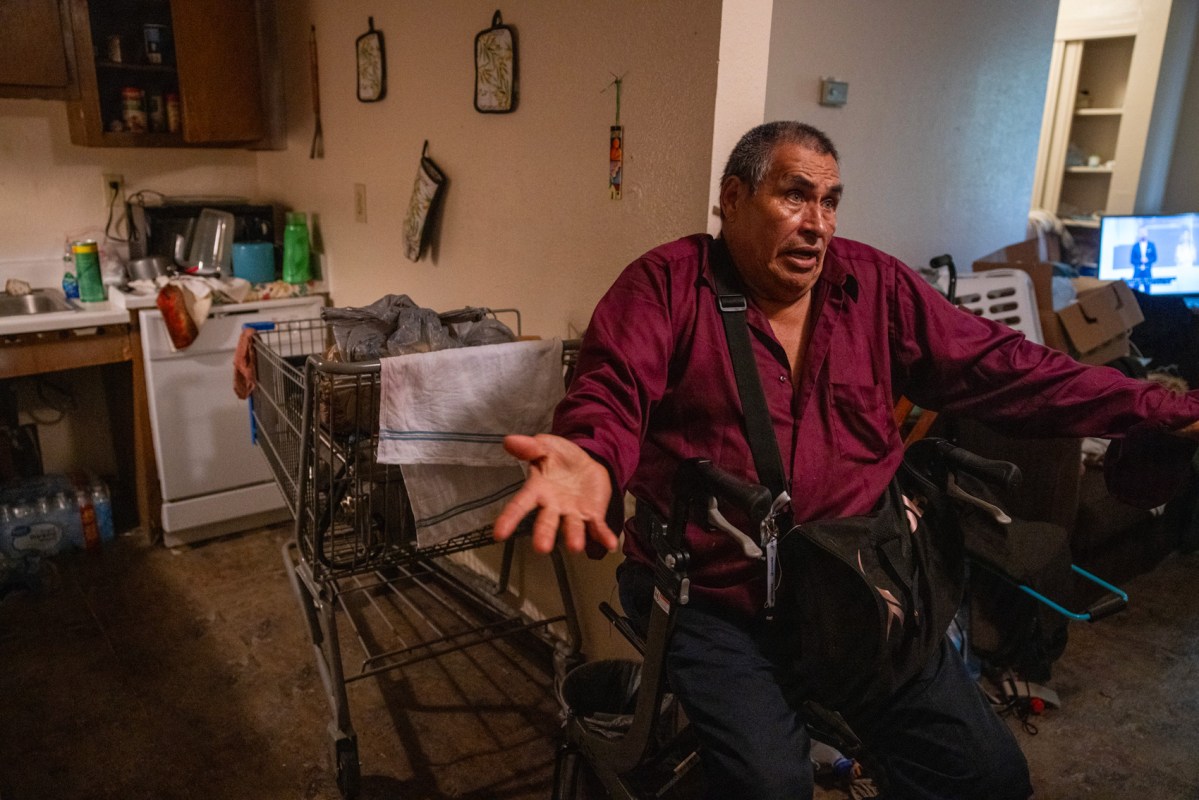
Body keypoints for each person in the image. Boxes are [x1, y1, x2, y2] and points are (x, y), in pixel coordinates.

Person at [493, 121, 1199, 799]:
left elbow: (1003, 366)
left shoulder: (873, 286)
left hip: (864, 585)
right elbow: (612, 388)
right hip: (716, 602)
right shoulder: (664, 286)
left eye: (829, 201)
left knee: (986, 777)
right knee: (769, 785)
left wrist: (1156, 408)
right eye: (794, 195)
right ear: (732, 199)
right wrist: (588, 455)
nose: (817, 224)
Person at [1130, 226, 1158, 293]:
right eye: (1141, 232)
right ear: (1138, 233)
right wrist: (1140, 261)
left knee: (1147, 290)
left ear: (1147, 233)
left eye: (1144, 232)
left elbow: (1155, 258)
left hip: (1147, 272)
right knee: (1135, 292)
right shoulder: (1135, 246)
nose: (1143, 234)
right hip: (1137, 273)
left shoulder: (1151, 245)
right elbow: (1132, 260)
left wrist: (1147, 260)